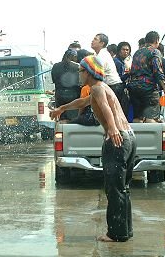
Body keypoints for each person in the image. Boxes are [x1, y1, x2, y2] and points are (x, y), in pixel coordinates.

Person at [50, 55, 137, 242]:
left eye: (80, 70)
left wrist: (112, 130)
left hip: (118, 139)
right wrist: (61, 109)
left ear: (88, 72)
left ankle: (115, 234)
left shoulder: (97, 88)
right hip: (130, 137)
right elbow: (82, 102)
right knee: (123, 188)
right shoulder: (100, 88)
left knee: (114, 189)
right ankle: (125, 231)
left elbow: (106, 108)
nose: (78, 74)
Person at [128, 31, 165, 123]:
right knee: (151, 118)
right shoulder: (155, 51)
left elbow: (132, 71)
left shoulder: (137, 52)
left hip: (134, 88)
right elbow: (157, 71)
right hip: (149, 89)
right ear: (156, 41)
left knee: (137, 118)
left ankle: (138, 137)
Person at [91, 33, 129, 117]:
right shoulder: (98, 55)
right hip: (112, 87)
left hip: (114, 88)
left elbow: (97, 75)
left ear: (102, 43)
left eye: (95, 39)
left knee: (113, 116)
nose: (92, 41)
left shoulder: (102, 55)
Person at [51, 49, 81, 122]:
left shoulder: (55, 66)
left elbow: (54, 80)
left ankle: (61, 131)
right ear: (74, 57)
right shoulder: (77, 66)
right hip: (74, 96)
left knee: (61, 117)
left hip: (59, 95)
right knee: (73, 119)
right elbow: (81, 82)